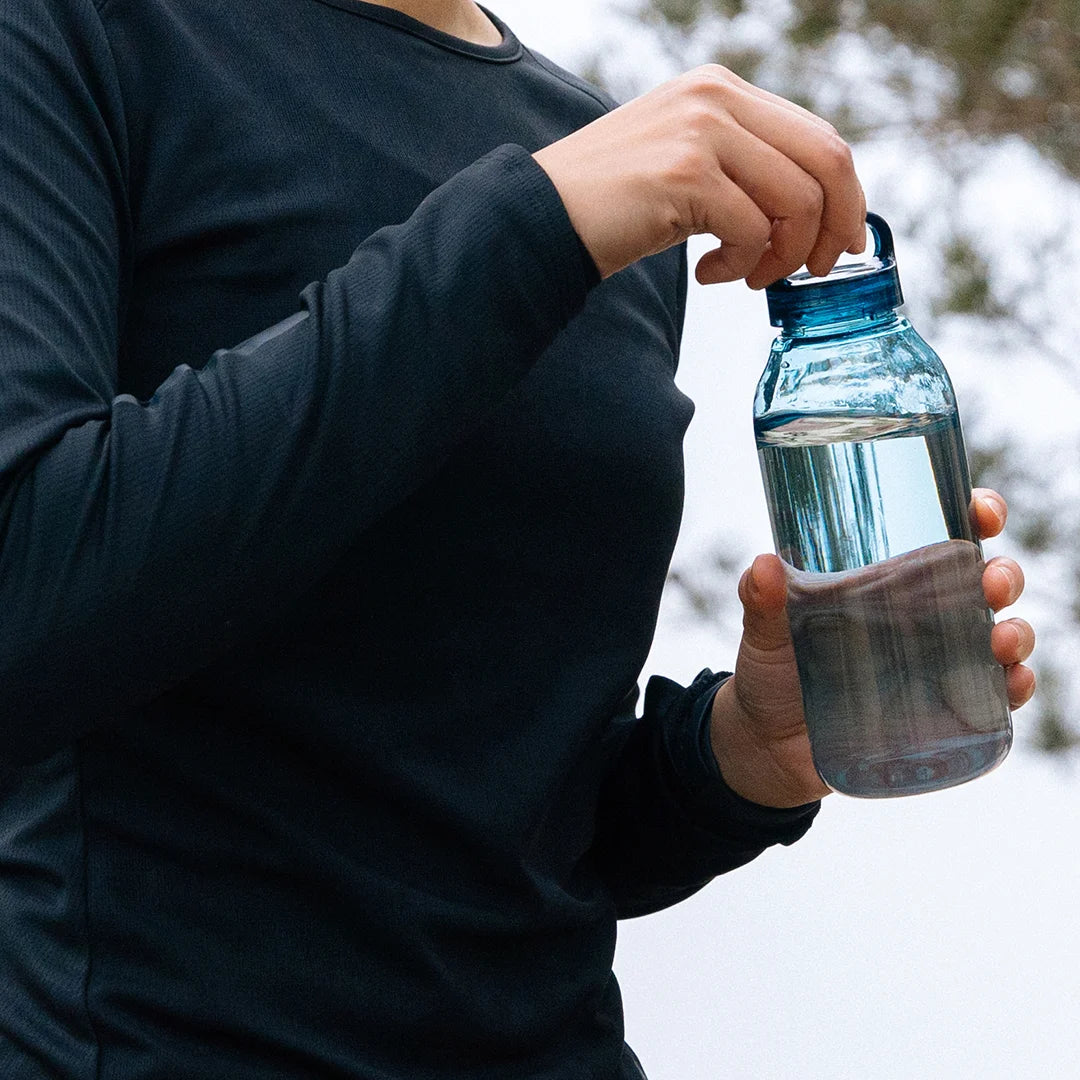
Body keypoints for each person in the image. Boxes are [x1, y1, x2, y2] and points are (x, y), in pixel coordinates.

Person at [0, 0, 1035, 1077]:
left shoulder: (592, 153)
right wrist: (540, 223)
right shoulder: (76, 37)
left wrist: (742, 754)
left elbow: (513, 829)